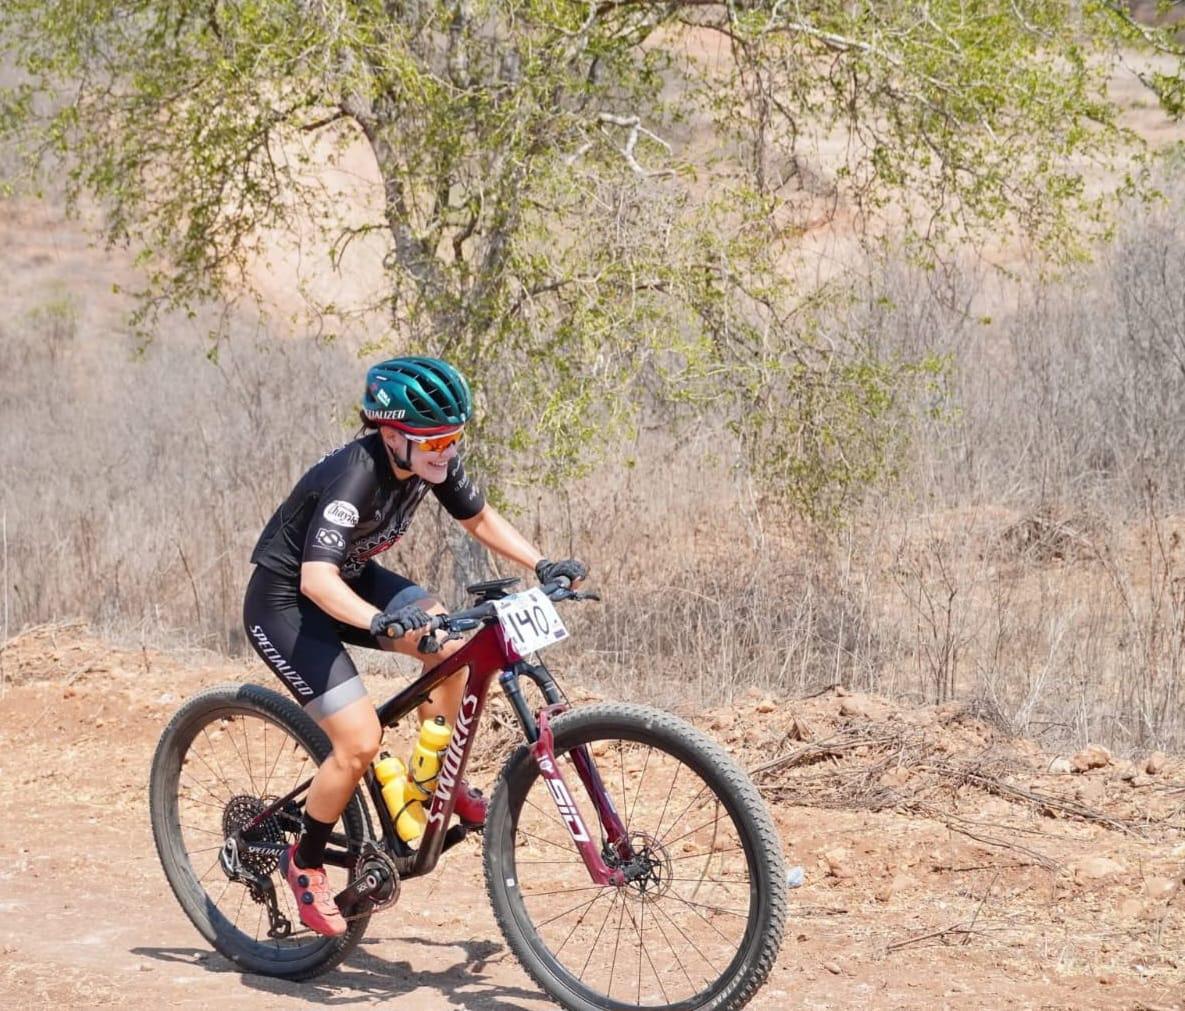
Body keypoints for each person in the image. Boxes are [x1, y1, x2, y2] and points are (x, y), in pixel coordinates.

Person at [243, 356, 587, 937]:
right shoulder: (355, 477)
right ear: (391, 434)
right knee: (358, 741)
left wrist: (542, 563)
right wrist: (380, 622)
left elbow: (479, 519)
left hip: (351, 580)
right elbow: (316, 581)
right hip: (286, 602)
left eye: (455, 438)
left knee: (448, 644)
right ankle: (304, 863)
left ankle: (428, 786)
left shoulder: (429, 459)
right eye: (435, 441)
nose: (447, 452)